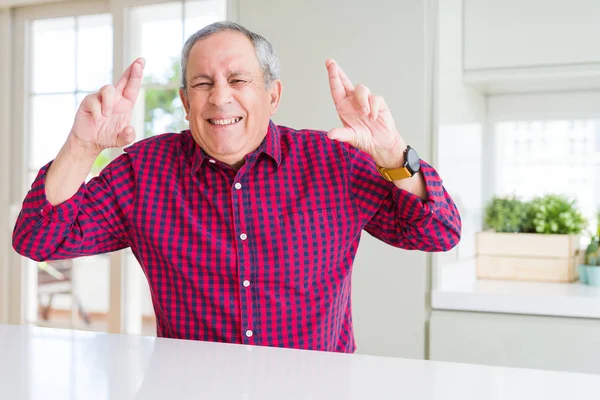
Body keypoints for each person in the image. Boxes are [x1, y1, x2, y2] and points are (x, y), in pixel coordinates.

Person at [13, 21, 461, 353]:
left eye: (239, 80)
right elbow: (37, 237)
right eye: (202, 84)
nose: (220, 97)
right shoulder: (144, 172)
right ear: (187, 104)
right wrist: (81, 145)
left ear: (273, 95)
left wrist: (392, 153)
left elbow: (438, 232)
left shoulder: (333, 163)